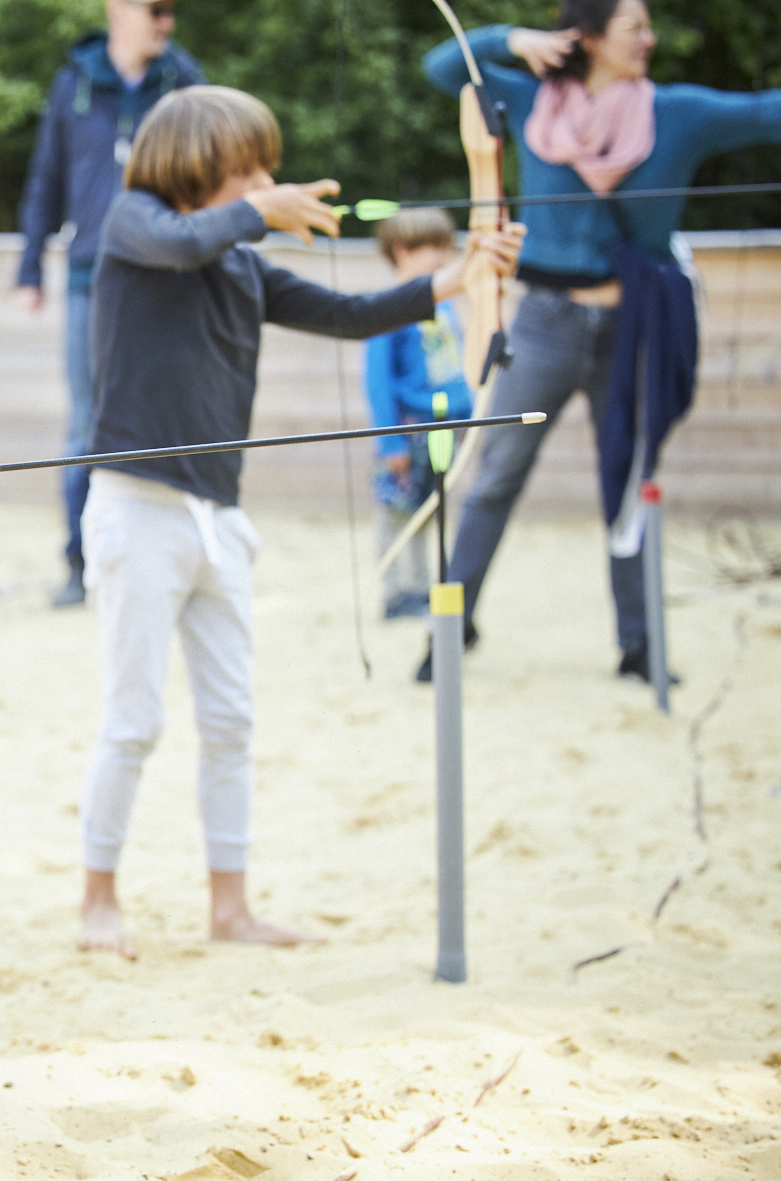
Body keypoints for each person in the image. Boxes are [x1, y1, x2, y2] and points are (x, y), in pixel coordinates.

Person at [73, 87, 524, 958]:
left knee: (232, 719)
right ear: (197, 164)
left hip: (218, 517)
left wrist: (463, 273)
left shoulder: (240, 262)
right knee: (134, 720)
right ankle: (98, 899)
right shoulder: (133, 223)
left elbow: (350, 315)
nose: (270, 182)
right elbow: (181, 239)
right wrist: (255, 210)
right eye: (250, 168)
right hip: (137, 510)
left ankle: (231, 908)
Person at [424, 0, 781, 683]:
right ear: (586, 38)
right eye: (635, 28)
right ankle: (452, 625)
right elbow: (440, 67)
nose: (649, 39)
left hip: (634, 325)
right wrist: (512, 38)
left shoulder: (680, 112)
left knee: (631, 483)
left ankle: (639, 644)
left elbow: (768, 112)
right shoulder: (528, 97)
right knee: (497, 471)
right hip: (546, 321)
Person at [13, 0, 205, 607]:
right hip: (89, 277)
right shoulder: (72, 84)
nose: (167, 22)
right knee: (87, 426)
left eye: (174, 11)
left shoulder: (185, 82)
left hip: (166, 276)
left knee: (169, 416)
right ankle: (80, 561)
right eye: (157, 9)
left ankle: (170, 561)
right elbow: (47, 176)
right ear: (118, 7)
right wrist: (29, 268)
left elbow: (210, 175)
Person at [362, 209, 472, 620]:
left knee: (429, 509)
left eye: (445, 247)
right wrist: (390, 441)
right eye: (431, 248)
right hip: (408, 431)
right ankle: (393, 593)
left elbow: (452, 363)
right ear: (402, 251)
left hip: (444, 427)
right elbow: (377, 382)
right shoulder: (388, 308)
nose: (442, 258)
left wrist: (468, 413)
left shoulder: (441, 306)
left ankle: (422, 585)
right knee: (395, 510)